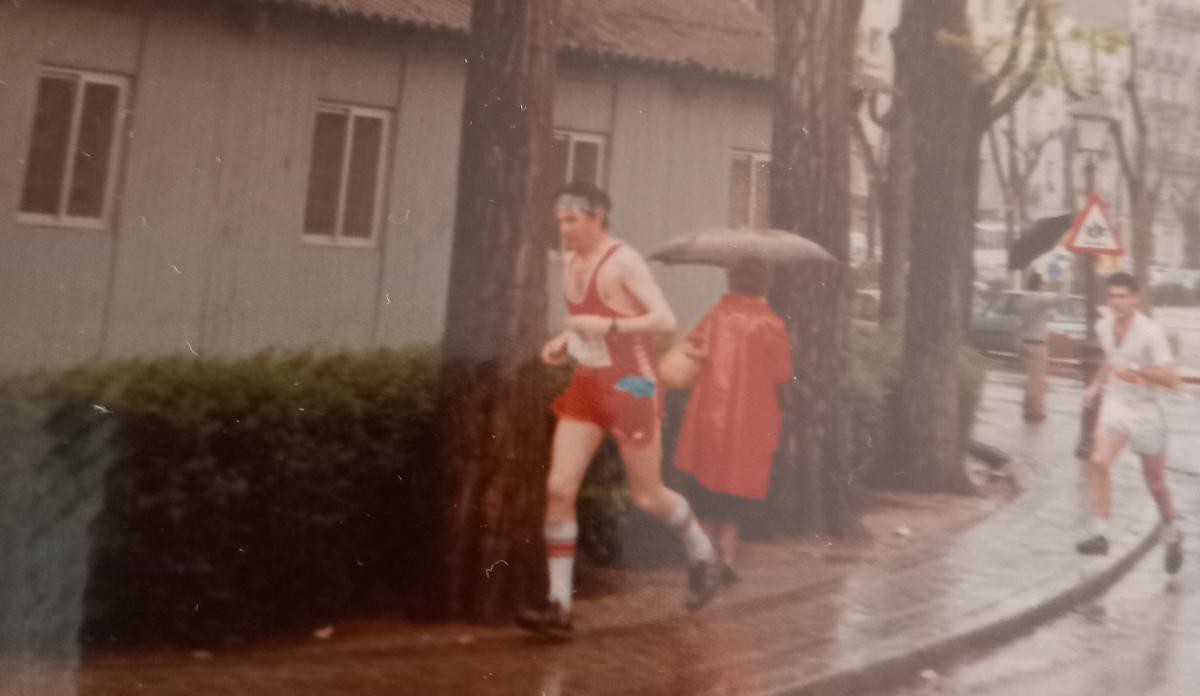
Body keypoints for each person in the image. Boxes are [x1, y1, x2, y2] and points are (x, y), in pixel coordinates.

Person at [516, 181, 721, 640]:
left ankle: (703, 555)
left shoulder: (623, 261)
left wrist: (607, 324)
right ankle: (559, 607)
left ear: (597, 218)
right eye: (560, 220)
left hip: (632, 385)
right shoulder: (570, 259)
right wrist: (565, 340)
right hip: (588, 385)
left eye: (572, 220)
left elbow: (664, 319)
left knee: (648, 496)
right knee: (558, 488)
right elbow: (581, 320)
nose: (563, 228)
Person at [673, 258, 792, 583]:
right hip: (749, 421)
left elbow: (690, 348)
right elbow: (782, 372)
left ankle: (707, 557)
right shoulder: (772, 323)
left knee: (706, 486)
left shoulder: (715, 315)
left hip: (710, 413)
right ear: (764, 285)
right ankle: (726, 559)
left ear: (731, 281)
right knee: (733, 491)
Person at [1076, 272, 1183, 575]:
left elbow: (1171, 379)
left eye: (1123, 296)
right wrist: (1095, 388)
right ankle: (1101, 533)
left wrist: (1137, 369)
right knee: (1098, 461)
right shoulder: (1103, 326)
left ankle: (1172, 528)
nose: (1117, 302)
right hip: (1117, 404)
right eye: (1112, 297)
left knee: (1155, 483)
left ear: (1136, 298)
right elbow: (1109, 360)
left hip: (1147, 409)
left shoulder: (1150, 332)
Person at [1014, 272, 1057, 421]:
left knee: (1030, 378)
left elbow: (1020, 324)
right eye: (1043, 284)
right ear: (1040, 284)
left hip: (1025, 342)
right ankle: (1036, 413)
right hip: (1038, 343)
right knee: (1037, 380)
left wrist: (1018, 345)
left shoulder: (1023, 300)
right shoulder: (1040, 299)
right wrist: (1067, 281)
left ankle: (1027, 409)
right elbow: (1062, 299)